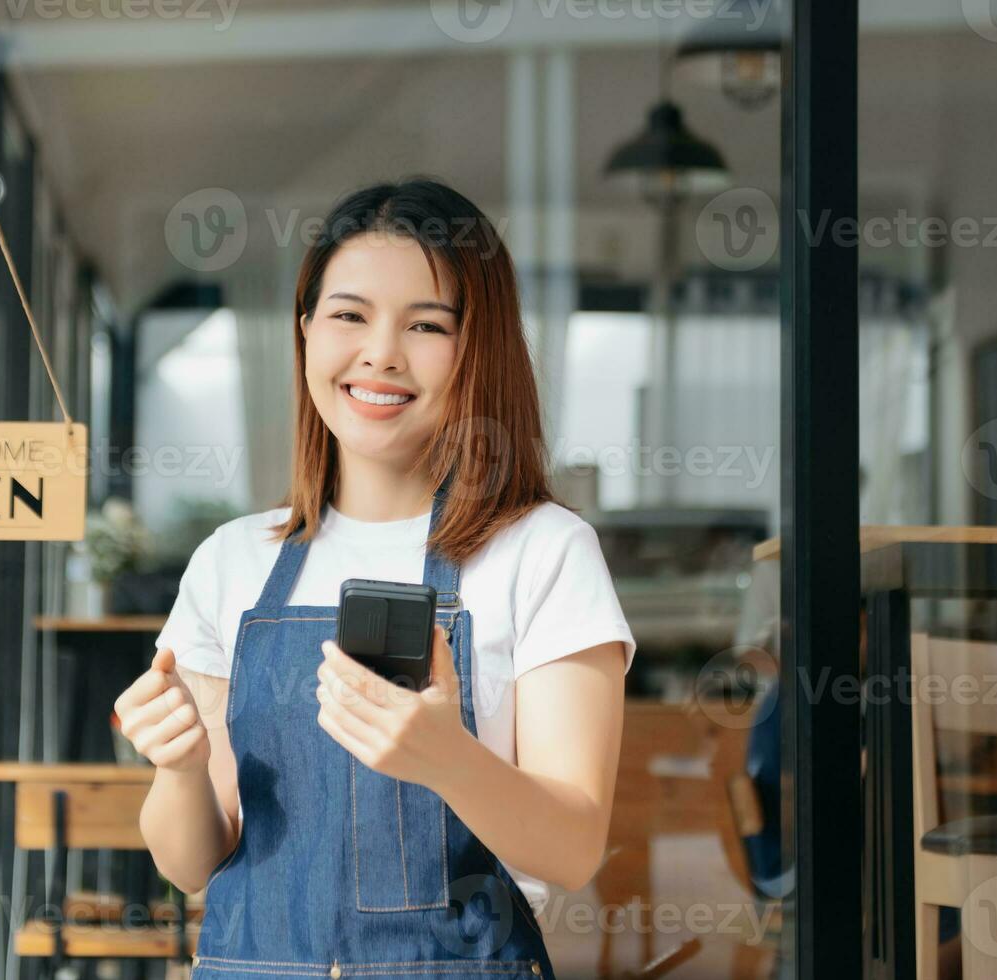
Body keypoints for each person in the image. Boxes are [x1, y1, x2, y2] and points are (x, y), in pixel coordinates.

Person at [113, 177, 636, 979]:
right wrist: (177, 767)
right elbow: (190, 863)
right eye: (349, 314)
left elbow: (570, 850)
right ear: (305, 332)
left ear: (476, 349)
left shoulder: (542, 551)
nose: (380, 353)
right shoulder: (232, 560)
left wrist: (445, 757)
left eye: (426, 325)